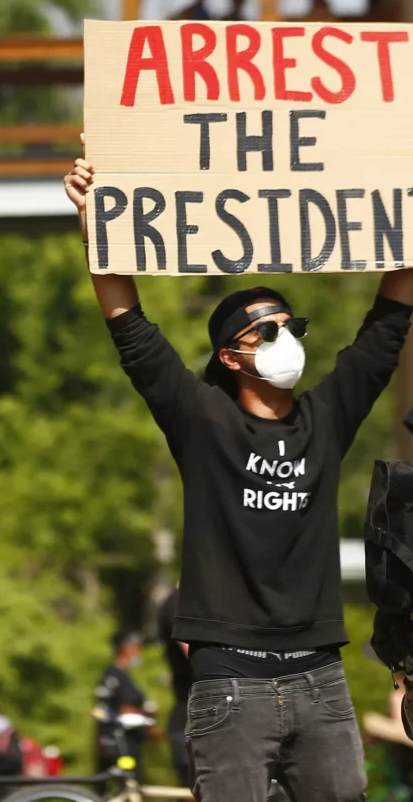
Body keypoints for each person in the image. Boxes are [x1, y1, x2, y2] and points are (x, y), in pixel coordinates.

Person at [64, 143, 413, 802]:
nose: (288, 340)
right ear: (229, 356)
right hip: (228, 683)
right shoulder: (201, 421)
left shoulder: (327, 415)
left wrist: (406, 215)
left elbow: (387, 327)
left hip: (322, 679)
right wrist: (97, 224)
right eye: (267, 332)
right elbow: (130, 328)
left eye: (292, 325)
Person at [94, 629, 149, 781]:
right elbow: (114, 708)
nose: (140, 651)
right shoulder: (113, 674)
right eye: (137, 646)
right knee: (127, 781)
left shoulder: (126, 675)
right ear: (126, 648)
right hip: (118, 741)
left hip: (131, 739)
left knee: (134, 779)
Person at [156, 585, 193, 785]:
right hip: (191, 713)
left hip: (196, 711)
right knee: (191, 787)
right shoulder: (178, 601)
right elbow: (196, 656)